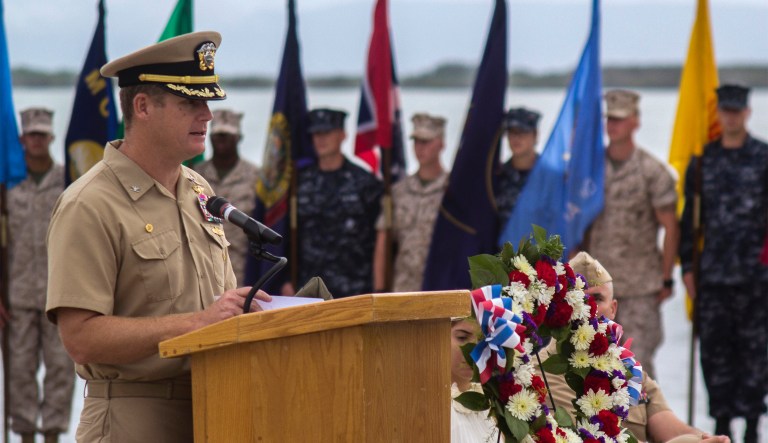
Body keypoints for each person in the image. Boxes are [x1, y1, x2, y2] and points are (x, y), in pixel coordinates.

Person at [44, 31, 271, 442]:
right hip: (133, 417)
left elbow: (217, 304)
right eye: (190, 103)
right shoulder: (89, 204)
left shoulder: (199, 190)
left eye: (207, 103)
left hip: (216, 407)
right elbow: (80, 338)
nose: (207, 116)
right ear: (143, 106)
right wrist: (199, 323)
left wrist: (242, 311)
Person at [537, 252, 730, 443]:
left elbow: (672, 429)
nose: (588, 309)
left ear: (613, 309)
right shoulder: (542, 373)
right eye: (578, 299)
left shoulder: (629, 369)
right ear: (559, 309)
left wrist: (705, 439)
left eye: (597, 299)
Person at [679, 84, 767, 442]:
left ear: (746, 112)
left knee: (755, 353)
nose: (730, 116)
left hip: (756, 277)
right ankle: (720, 421)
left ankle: (751, 422)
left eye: (736, 110)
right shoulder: (702, 162)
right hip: (712, 275)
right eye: (725, 110)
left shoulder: (763, 157)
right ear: (719, 114)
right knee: (714, 353)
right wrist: (686, 267)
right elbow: (690, 222)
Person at [582, 89, 679, 379]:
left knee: (639, 370)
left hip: (640, 289)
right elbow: (578, 225)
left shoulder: (652, 171)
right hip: (598, 287)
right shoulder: (589, 170)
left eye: (621, 119)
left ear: (636, 121)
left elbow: (671, 228)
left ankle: (646, 426)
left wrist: (666, 278)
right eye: (610, 118)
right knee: (592, 368)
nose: (613, 125)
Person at [6, 108, 72, 443]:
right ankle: (26, 433)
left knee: (60, 368)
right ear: (21, 139)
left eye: (41, 135)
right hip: (18, 294)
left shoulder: (67, 182)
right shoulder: (8, 185)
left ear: (51, 138)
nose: (36, 140)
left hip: (58, 294)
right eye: (31, 134)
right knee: (20, 369)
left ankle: (52, 434)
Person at [282, 108, 383, 298]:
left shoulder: (365, 183)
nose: (320, 139)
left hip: (354, 288)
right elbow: (288, 234)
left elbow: (380, 239)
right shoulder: (299, 183)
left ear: (342, 135)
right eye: (316, 134)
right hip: (309, 288)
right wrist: (286, 279)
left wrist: (379, 286)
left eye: (327, 133)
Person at [372, 112, 448, 292]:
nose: (419, 148)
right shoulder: (399, 191)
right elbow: (383, 241)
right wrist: (379, 289)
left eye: (426, 142)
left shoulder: (452, 191)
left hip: (440, 288)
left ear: (441, 144)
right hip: (404, 287)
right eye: (416, 142)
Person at [194, 108, 259, 283]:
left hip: (242, 271)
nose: (221, 140)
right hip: (202, 272)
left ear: (239, 138)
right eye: (217, 135)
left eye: (227, 135)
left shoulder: (256, 176)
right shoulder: (194, 175)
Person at [450, 318, 499, 443]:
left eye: (482, 340)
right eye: (462, 338)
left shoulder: (491, 400)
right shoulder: (430, 409)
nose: (475, 351)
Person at [495, 107, 541, 228]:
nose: (516, 138)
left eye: (523, 132)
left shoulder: (551, 178)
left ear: (535, 135)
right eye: (512, 132)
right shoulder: (497, 177)